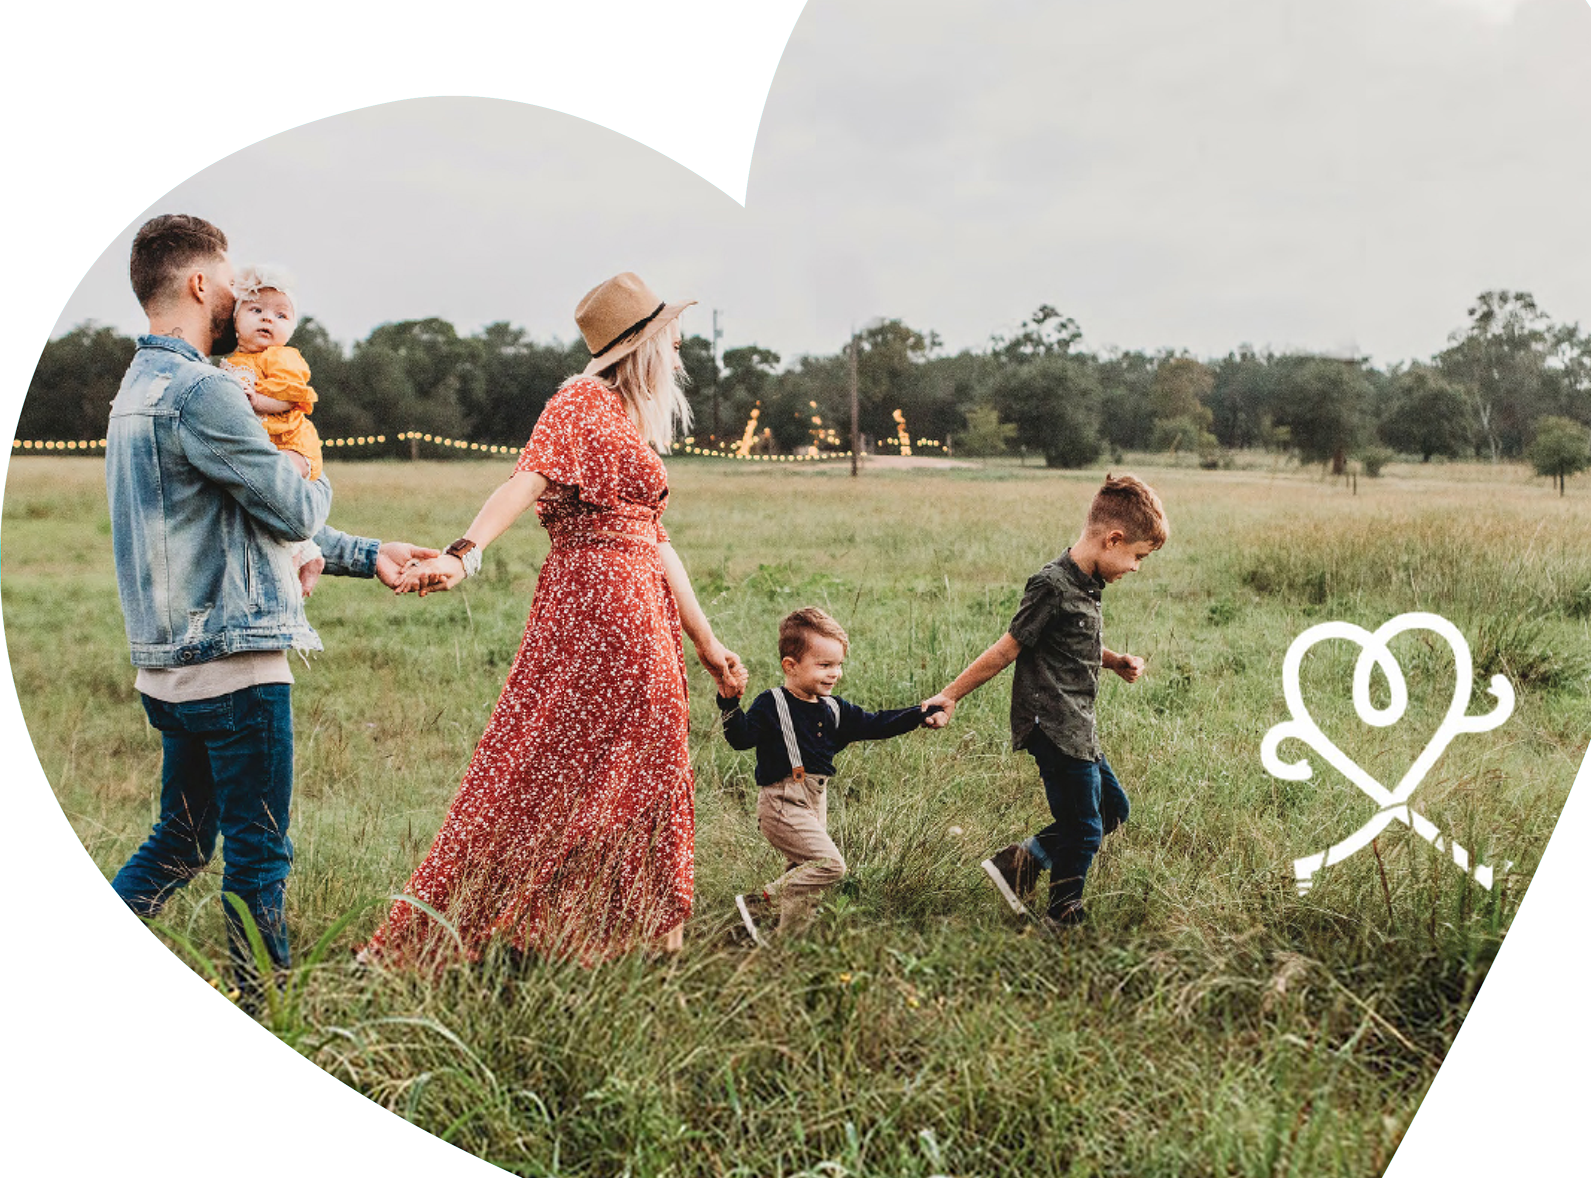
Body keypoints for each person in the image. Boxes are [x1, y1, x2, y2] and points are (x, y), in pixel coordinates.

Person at [359, 271, 748, 970]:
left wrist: (708, 642)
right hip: (599, 605)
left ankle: (631, 933)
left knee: (639, 762)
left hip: (637, 604)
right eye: (672, 335)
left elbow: (655, 541)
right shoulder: (580, 401)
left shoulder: (626, 417)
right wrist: (465, 554)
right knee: (547, 763)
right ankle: (513, 924)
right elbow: (524, 479)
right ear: (642, 345)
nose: (682, 345)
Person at [104, 214, 436, 1009]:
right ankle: (265, 1015)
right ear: (196, 284)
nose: (237, 297)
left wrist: (364, 552)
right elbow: (289, 507)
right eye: (229, 284)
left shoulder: (135, 391)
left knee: (181, 844)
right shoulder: (206, 389)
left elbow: (237, 511)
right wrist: (310, 462)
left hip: (169, 671)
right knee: (259, 857)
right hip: (236, 668)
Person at [922, 473, 1169, 929]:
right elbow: (1006, 649)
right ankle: (1063, 912)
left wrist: (1113, 661)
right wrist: (949, 696)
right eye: (1137, 557)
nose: (1136, 567)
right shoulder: (1052, 585)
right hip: (1052, 726)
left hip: (1079, 726)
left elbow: (1074, 646)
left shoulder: (1088, 585)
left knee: (1113, 809)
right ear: (1113, 539)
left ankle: (1020, 864)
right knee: (1084, 827)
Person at [720, 606, 936, 945]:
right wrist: (729, 704)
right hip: (781, 802)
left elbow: (877, 723)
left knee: (803, 880)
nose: (834, 673)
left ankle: (788, 946)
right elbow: (740, 739)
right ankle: (758, 903)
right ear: (790, 666)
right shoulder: (772, 703)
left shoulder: (835, 708)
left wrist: (919, 714)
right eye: (824, 665)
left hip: (815, 802)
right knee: (829, 866)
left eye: (838, 665)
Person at [219, 265, 324, 590]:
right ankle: (310, 552)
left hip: (293, 444)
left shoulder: (281, 357)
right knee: (261, 497)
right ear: (235, 320)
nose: (268, 319)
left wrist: (257, 401)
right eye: (256, 310)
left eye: (281, 315)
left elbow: (291, 396)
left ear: (291, 327)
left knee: (277, 490)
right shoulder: (233, 361)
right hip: (268, 445)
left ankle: (297, 554)